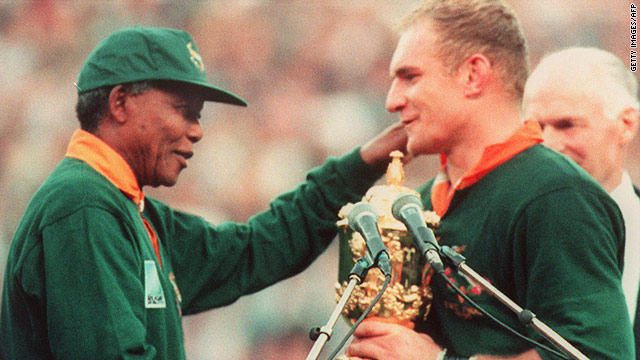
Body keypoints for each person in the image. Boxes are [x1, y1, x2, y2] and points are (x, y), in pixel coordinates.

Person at [0, 26, 409, 359]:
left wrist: (365, 162)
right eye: (185, 110)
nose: (197, 130)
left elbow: (253, 250)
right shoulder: (84, 206)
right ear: (121, 103)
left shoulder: (127, 208)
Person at [345, 1, 633, 359]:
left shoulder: (556, 195)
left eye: (410, 77)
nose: (392, 100)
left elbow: (598, 355)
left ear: (473, 74)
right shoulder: (415, 206)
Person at [522, 46, 640, 359]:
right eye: (536, 128)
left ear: (626, 124)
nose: (547, 144)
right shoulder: (510, 227)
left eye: (566, 125)